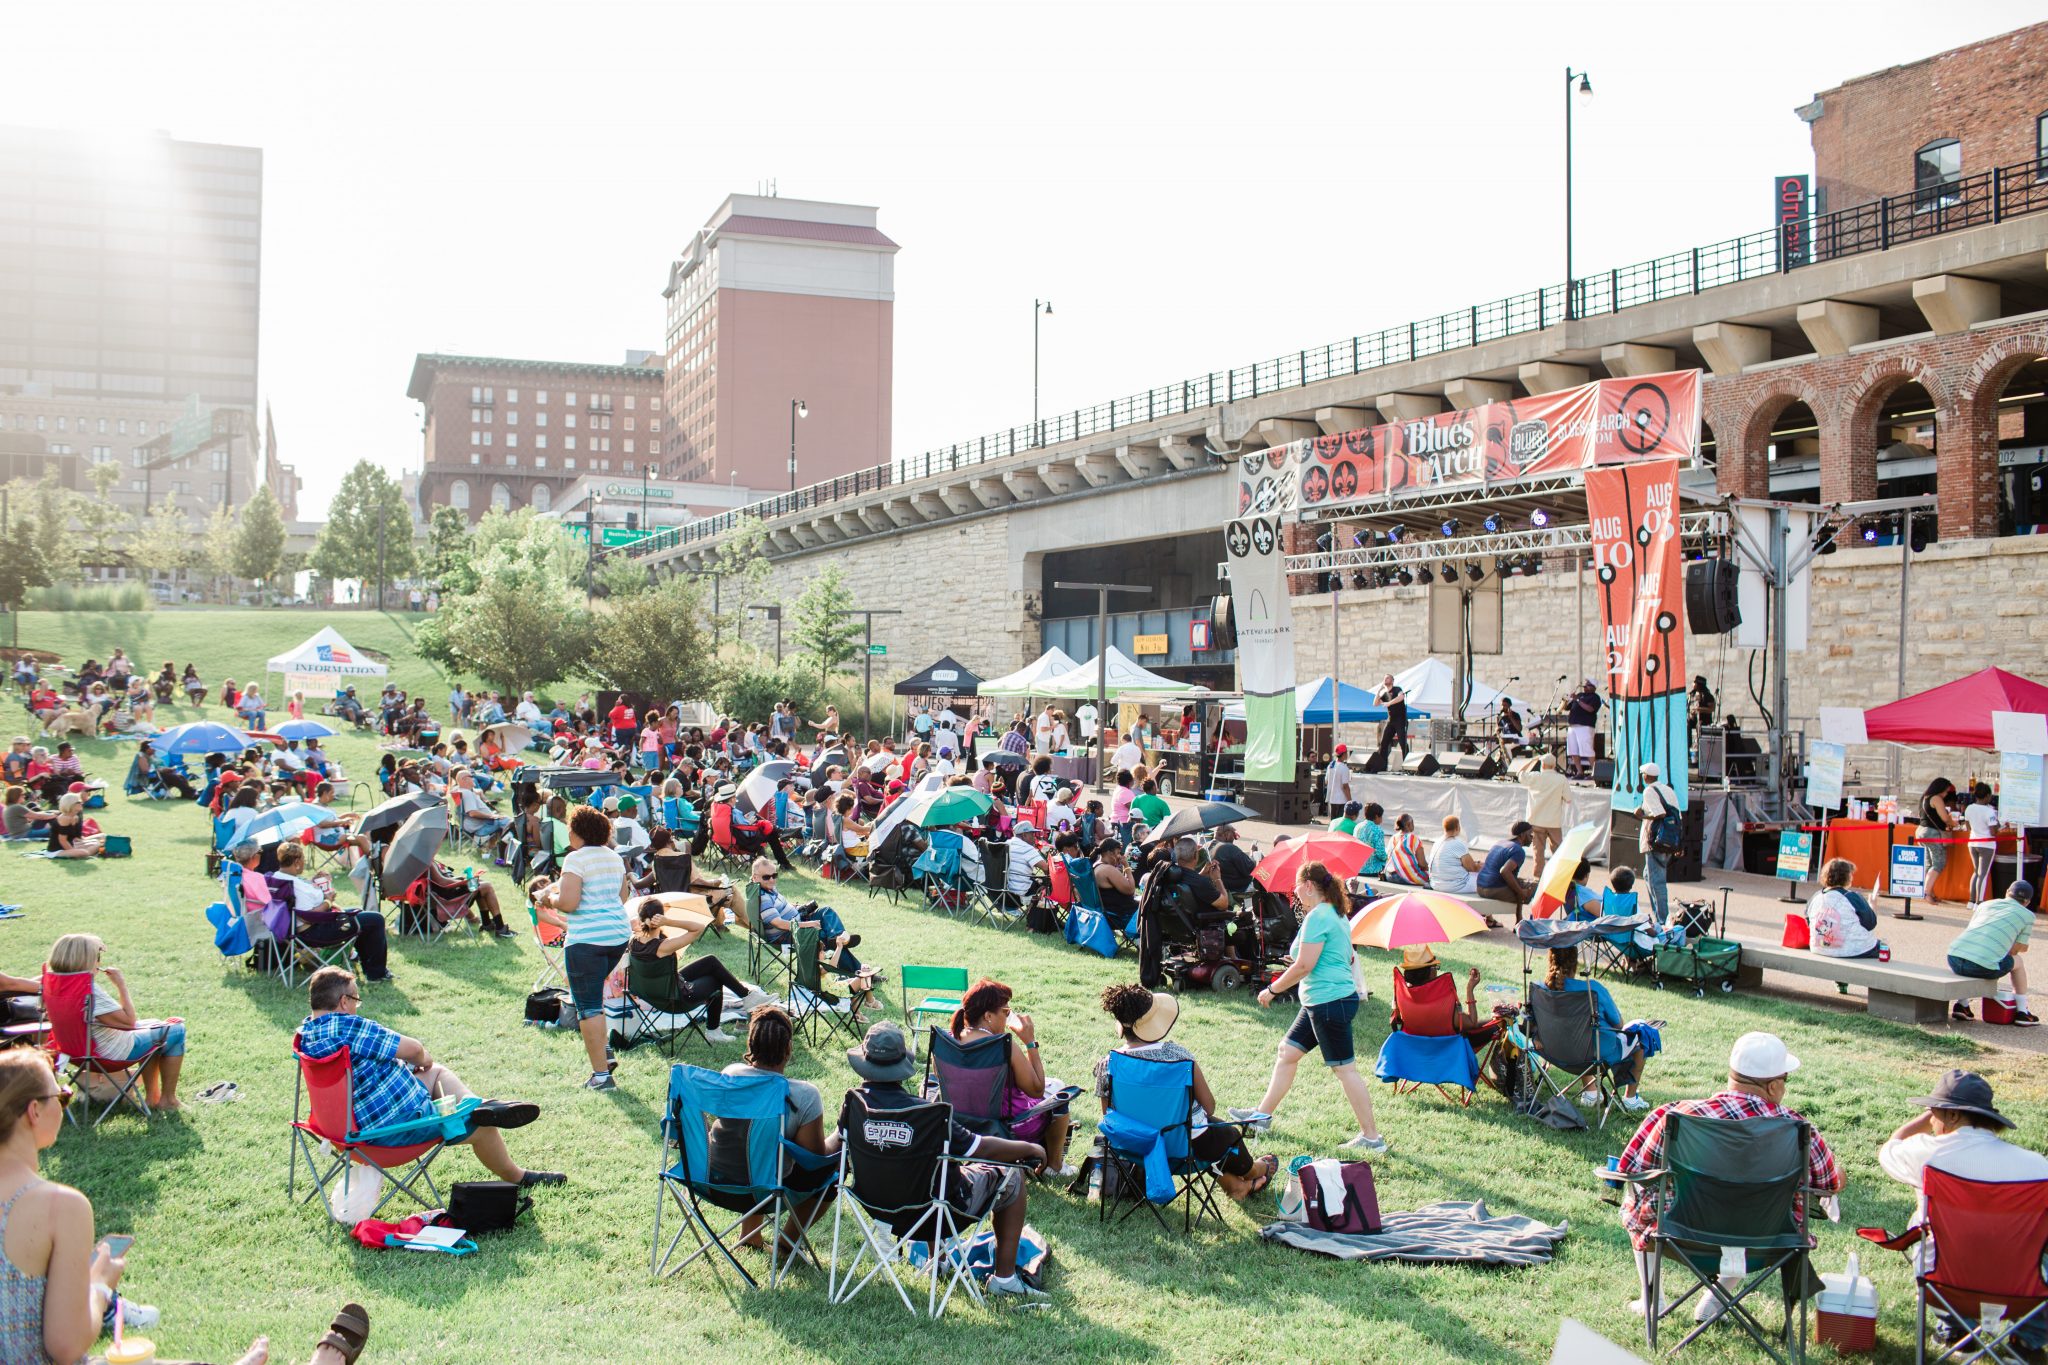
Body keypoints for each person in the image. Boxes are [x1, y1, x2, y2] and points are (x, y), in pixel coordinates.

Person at [1617, 1032, 1842, 1320]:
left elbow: (1633, 1169)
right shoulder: (1799, 1130)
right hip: (1765, 1241)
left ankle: (1653, 1301)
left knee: (1637, 1199)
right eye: (1786, 1079)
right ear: (1773, 1086)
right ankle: (1716, 1300)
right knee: (1762, 1213)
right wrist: (1840, 1176)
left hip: (1681, 1232)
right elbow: (1827, 1186)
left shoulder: (1677, 1115)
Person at [836, 1020, 1050, 1302]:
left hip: (881, 1213)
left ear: (865, 1064)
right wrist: (1029, 1147)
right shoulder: (930, 1114)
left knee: (926, 1176)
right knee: (1011, 1175)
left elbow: (833, 1145)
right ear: (901, 1064)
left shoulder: (855, 1105)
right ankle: (1004, 1278)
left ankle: (937, 1260)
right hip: (937, 1214)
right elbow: (981, 1147)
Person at [298, 966, 562, 1186]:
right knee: (482, 1127)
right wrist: (423, 1059)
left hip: (342, 1126)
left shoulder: (306, 1035)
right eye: (356, 1000)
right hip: (388, 1131)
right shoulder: (349, 1027)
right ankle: (517, 1175)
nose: (357, 1006)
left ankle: (479, 1105)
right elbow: (413, 1049)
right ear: (344, 1002)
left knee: (436, 1075)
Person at [1879, 1068, 2048, 1352]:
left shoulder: (1927, 1154)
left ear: (1952, 1116)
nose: (1931, 1120)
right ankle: (2026, 1342)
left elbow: (1889, 1150)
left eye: (1934, 1113)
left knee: (1931, 1232)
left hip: (1945, 1284)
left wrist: (1922, 1122)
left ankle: (1957, 1330)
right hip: (2026, 1291)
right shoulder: (2037, 1167)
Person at [1231, 862, 1386, 1155]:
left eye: (1296, 886)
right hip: (1322, 1000)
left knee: (1345, 1070)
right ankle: (1262, 1117)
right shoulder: (1335, 915)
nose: (1294, 892)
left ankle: (1372, 1137)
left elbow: (1305, 965)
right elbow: (1330, 959)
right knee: (1287, 1053)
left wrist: (1272, 989)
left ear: (1309, 886)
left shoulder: (1320, 917)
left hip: (1330, 1002)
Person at [1096, 984, 1276, 1199]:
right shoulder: (1179, 1057)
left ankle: (1236, 1186)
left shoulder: (1107, 1064)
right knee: (1221, 1134)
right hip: (1182, 1149)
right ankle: (1256, 1169)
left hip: (1133, 1147)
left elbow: (1110, 1116)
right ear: (1153, 1022)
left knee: (1205, 1132)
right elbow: (1208, 1106)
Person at [539, 805, 635, 1089]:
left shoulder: (575, 858)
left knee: (588, 1007)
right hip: (617, 936)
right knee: (594, 997)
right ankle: (603, 1052)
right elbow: (622, 896)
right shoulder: (613, 857)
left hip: (587, 940)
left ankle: (602, 1077)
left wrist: (548, 901)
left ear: (576, 831)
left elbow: (569, 903)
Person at [947, 979, 1074, 1177]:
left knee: (1053, 1085)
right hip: (1006, 1126)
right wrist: (1030, 1042)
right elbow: (1037, 1089)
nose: (1008, 1017)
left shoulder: (948, 1040)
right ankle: (1055, 1166)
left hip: (959, 1122)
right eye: (1005, 1012)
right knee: (1059, 1090)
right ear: (988, 1016)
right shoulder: (1003, 1046)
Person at [47, 933, 185, 1110]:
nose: (99, 962)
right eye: (97, 957)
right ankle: (168, 1100)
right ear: (86, 960)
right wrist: (121, 985)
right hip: (107, 1054)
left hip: (74, 1054)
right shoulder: (87, 989)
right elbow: (129, 1022)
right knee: (177, 1030)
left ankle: (153, 1097)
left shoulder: (53, 984)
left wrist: (158, 1025)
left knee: (157, 1025)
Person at [622, 898, 763, 1047]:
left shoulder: (633, 941)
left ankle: (747, 996)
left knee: (710, 961)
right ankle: (714, 1030)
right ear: (660, 918)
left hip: (651, 994)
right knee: (715, 980)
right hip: (674, 1000)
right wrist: (669, 921)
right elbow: (698, 928)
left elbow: (635, 923)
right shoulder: (664, 946)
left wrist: (644, 921)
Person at [1540, 946, 1648, 1111]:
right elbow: (1619, 1025)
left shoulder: (1542, 990)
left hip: (1557, 1052)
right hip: (1594, 1056)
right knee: (1643, 1036)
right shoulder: (1593, 989)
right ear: (1575, 963)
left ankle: (1591, 1092)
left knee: (1581, 1036)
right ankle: (1631, 1098)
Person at [274, 842, 391, 983]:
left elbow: (301, 903)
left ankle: (369, 966)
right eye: (303, 859)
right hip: (315, 932)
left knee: (363, 917)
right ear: (297, 861)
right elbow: (310, 916)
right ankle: (376, 973)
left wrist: (312, 882)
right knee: (375, 919)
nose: (304, 863)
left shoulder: (278, 878)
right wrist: (328, 900)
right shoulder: (296, 887)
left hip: (301, 930)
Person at [1946, 880, 2037, 1025]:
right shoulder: (2028, 916)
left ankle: (1962, 1005)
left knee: (1980, 957)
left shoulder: (1985, 904)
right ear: (2027, 902)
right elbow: (2016, 949)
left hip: (1954, 957)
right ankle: (2022, 1011)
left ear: (2007, 892)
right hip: (1981, 965)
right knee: (2016, 961)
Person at [1390, 944, 1503, 1049]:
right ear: (1430, 971)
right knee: (1494, 1025)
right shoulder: (1442, 1002)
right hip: (1447, 1057)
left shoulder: (1402, 997)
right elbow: (1472, 1023)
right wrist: (1470, 989)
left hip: (1413, 1053)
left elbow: (1397, 1020)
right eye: (1435, 967)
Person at [1806, 857, 1880, 960]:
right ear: (1847, 877)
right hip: (1854, 951)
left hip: (1819, 948)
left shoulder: (1816, 897)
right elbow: (1870, 924)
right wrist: (1873, 905)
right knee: (1883, 947)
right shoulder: (1853, 897)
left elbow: (1809, 921)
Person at [1637, 762, 1680, 925]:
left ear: (1646, 776)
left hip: (1655, 841)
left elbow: (1660, 813)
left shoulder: (1649, 791)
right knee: (1648, 875)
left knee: (1657, 881)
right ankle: (1658, 914)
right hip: (1669, 839)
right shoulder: (1667, 789)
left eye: (1643, 775)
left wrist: (1641, 816)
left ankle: (1662, 919)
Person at [1518, 752, 1568, 880]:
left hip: (1536, 820)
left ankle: (1538, 877)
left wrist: (1531, 760)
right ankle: (1558, 876)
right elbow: (1569, 799)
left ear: (1543, 764)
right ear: (1554, 765)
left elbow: (1519, 773)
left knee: (1538, 851)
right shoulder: (1561, 779)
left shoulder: (1535, 777)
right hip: (1553, 821)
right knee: (1558, 851)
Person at [1476, 821, 1536, 921]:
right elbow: (1504, 871)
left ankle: (1518, 920)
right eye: (1530, 835)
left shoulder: (1500, 843)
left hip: (1480, 886)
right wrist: (1521, 892)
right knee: (1532, 888)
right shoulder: (1518, 851)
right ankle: (1521, 921)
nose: (1532, 838)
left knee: (1518, 883)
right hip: (1492, 889)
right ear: (1522, 835)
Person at [1915, 777, 1960, 901]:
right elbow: (1945, 818)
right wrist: (1955, 823)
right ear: (1940, 789)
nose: (1946, 794)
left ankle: (1927, 891)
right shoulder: (1936, 798)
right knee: (1939, 863)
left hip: (1921, 831)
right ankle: (1927, 893)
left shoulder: (1925, 797)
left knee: (1929, 863)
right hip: (1932, 833)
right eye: (1946, 791)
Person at [1428, 814, 1483, 900]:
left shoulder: (1437, 842)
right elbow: (1472, 868)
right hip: (1456, 886)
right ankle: (1483, 912)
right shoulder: (1458, 843)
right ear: (1457, 828)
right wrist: (1481, 865)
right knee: (1485, 878)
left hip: (1436, 884)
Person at [1963, 781, 2001, 904]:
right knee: (1983, 874)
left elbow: (1968, 827)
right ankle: (1979, 902)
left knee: (1976, 872)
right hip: (1987, 845)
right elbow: (1993, 832)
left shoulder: (1969, 808)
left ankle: (1971, 901)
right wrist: (2001, 826)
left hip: (1973, 842)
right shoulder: (1990, 812)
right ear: (1987, 796)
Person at [43, 793, 100, 859]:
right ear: (71, 804)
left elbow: (76, 837)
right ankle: (88, 852)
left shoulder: (75, 817)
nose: (81, 803)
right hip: (57, 850)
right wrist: (74, 851)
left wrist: (84, 843)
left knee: (99, 840)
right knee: (84, 853)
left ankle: (89, 850)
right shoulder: (65, 818)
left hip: (70, 845)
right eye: (79, 802)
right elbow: (62, 841)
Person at [1565, 679, 1602, 780]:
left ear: (1593, 687)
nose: (1585, 686)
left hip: (1585, 726)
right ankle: (1579, 772)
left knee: (1587, 750)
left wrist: (1577, 699)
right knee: (1573, 751)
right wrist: (1570, 699)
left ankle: (1595, 773)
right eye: (1585, 685)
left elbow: (1590, 709)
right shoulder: (1580, 695)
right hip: (1573, 726)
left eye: (1588, 685)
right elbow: (1566, 708)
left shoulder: (1595, 697)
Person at [1371, 675, 1410, 770]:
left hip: (1400, 720)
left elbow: (1401, 697)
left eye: (1387, 678)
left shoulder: (1397, 689)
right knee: (1383, 743)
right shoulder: (1385, 694)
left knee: (1402, 743)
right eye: (1384, 678)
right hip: (1391, 721)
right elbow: (1375, 704)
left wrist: (1389, 703)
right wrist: (1379, 691)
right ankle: (1382, 766)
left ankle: (1408, 765)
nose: (1385, 679)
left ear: (1392, 681)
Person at [1209, 824, 1257, 898]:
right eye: (1234, 833)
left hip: (1217, 886)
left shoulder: (1208, 845)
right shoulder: (1229, 848)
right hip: (1238, 890)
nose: (1234, 837)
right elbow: (1250, 868)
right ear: (1227, 835)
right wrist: (1253, 853)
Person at [1354, 802, 1388, 876]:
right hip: (1372, 870)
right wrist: (1388, 857)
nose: (1381, 820)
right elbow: (1381, 854)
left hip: (1357, 868)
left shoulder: (1357, 827)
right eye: (1381, 817)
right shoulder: (1378, 830)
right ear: (1376, 816)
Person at [1323, 745, 1352, 819]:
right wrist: (1350, 801)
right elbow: (1345, 786)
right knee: (1340, 823)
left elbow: (1326, 781)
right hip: (1341, 800)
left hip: (1332, 799)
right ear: (1344, 754)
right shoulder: (1344, 768)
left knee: (1333, 822)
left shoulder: (1331, 765)